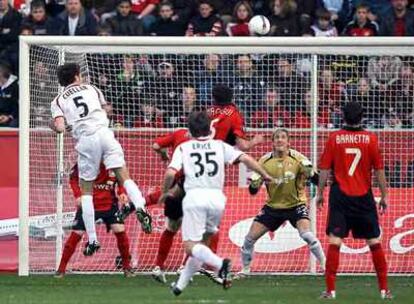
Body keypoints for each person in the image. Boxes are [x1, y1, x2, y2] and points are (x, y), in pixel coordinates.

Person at [161, 111, 272, 295]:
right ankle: (179, 286)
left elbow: (171, 173)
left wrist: (165, 192)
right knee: (201, 247)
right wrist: (265, 174)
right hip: (217, 200)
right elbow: (245, 158)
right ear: (209, 129)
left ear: (190, 130)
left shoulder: (184, 147)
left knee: (190, 247)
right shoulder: (220, 146)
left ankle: (221, 264)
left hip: (195, 198)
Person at [50, 63, 152, 256]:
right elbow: (105, 110)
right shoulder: (92, 88)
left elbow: (61, 127)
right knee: (124, 175)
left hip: (86, 141)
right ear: (77, 76)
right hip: (104, 133)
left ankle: (93, 239)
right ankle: (140, 207)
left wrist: (55, 124)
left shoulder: (57, 100)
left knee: (86, 190)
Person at [316, 102, 391, 299]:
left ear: (343, 116)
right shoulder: (371, 139)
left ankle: (331, 290)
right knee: (374, 240)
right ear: (362, 117)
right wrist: (384, 195)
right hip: (364, 197)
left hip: (340, 195)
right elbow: (379, 170)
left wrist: (320, 192)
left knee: (335, 240)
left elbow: (324, 168)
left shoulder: (334, 138)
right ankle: (384, 290)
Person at [239, 129, 325, 276]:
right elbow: (253, 191)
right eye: (277, 137)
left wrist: (310, 173)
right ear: (272, 142)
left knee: (307, 235)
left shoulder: (299, 158)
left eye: (283, 137)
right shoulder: (264, 161)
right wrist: (254, 185)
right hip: (273, 207)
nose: (280, 140)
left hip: (296, 205)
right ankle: (245, 270)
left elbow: (318, 181)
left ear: (288, 142)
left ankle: (325, 266)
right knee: (249, 239)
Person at [55, 163, 135, 277]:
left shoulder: (113, 160)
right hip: (88, 203)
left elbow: (122, 179)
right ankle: (61, 269)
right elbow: (73, 178)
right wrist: (78, 195)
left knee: (120, 230)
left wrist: (122, 192)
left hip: (109, 205)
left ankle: (127, 268)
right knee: (77, 233)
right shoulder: (86, 159)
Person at [207, 84, 264, 151]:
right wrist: (255, 141)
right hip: (224, 157)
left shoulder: (207, 113)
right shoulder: (233, 114)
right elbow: (243, 146)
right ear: (231, 98)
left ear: (213, 97)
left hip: (208, 155)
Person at [0, 62, 18, 127]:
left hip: (12, 116)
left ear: (1, 73)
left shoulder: (15, 86)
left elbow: (17, 105)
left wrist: (9, 117)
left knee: (13, 124)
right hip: (1, 115)